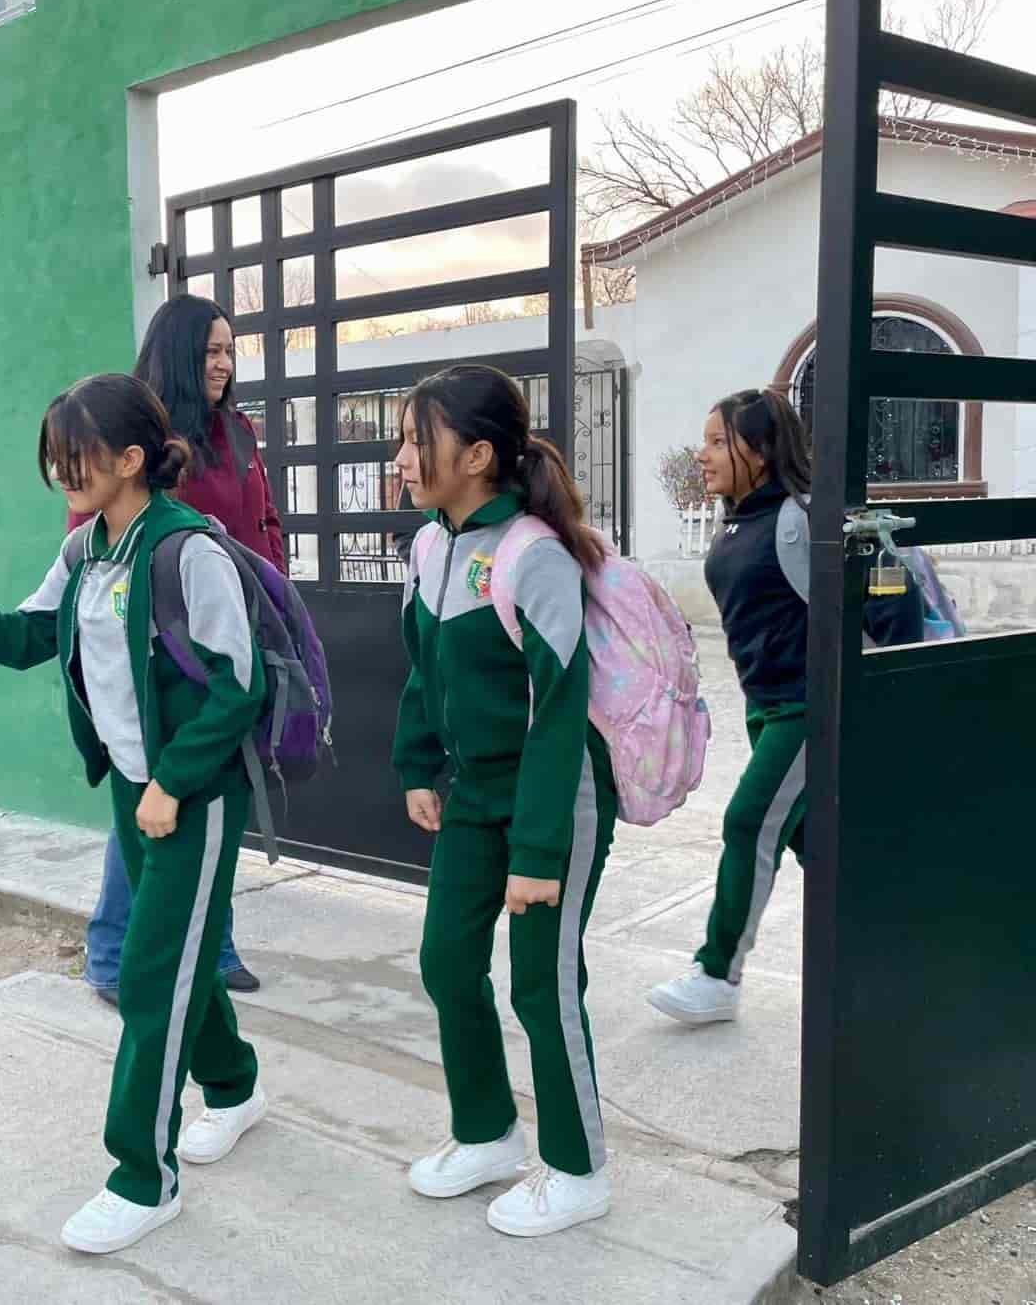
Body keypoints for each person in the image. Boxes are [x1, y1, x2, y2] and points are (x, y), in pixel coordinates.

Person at [0, 373, 269, 1254]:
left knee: (148, 977)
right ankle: (237, 1084)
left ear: (132, 459)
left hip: (196, 795)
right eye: (54, 457)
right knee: (176, 964)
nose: (62, 471)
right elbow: (29, 637)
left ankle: (144, 1175)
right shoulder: (86, 552)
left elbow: (237, 686)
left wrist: (175, 784)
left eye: (78, 456)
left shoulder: (186, 552)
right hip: (134, 789)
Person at [393, 364, 617, 1238]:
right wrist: (417, 765)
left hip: (552, 800)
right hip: (474, 794)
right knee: (448, 963)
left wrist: (537, 852)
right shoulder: (428, 545)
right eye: (405, 438)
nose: (404, 455)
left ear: (478, 453)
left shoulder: (533, 554)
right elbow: (424, 668)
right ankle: (487, 1131)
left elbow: (561, 715)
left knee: (542, 986)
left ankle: (578, 1167)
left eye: (420, 438)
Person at [647, 389, 922, 1026]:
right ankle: (899, 955)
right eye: (706, 440)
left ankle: (717, 976)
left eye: (719, 442)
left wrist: (896, 681)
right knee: (817, 845)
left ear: (763, 451)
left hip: (809, 708)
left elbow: (889, 589)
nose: (704, 453)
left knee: (748, 824)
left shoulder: (803, 517)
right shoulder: (741, 519)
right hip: (764, 705)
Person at [78, 296, 281, 1004]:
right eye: (209, 351)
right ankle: (110, 953)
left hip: (232, 640)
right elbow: (94, 528)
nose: (223, 363)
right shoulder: (141, 434)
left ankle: (212, 945)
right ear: (177, 354)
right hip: (161, 653)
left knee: (214, 795)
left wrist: (272, 596)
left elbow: (263, 519)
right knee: (152, 795)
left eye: (230, 349)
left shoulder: (238, 432)